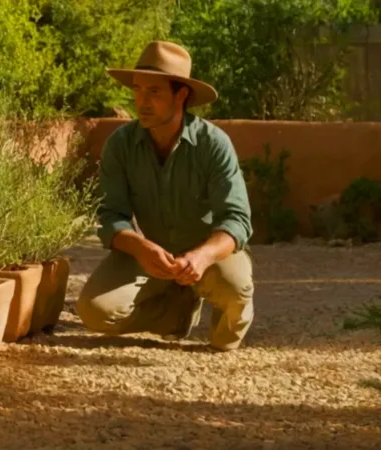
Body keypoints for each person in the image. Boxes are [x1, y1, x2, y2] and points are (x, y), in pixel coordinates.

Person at [75, 41, 255, 352]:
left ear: (181, 95)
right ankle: (176, 313)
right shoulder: (120, 145)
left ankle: (219, 319)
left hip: (208, 256)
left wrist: (202, 257)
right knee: (95, 312)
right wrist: (141, 248)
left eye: (154, 92)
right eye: (137, 90)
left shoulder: (213, 144)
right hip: (152, 255)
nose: (141, 101)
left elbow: (237, 220)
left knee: (235, 297)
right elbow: (110, 216)